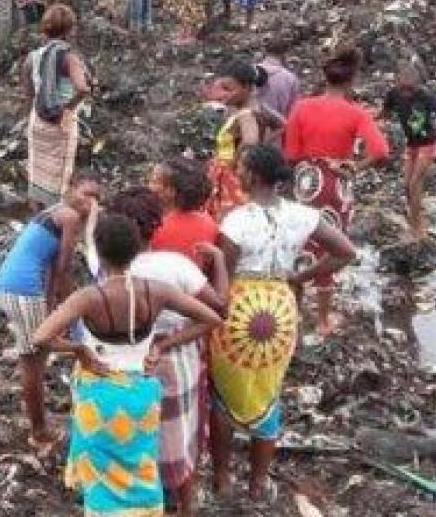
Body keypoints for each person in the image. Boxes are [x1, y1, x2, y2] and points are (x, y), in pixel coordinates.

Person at [31, 214, 222, 517]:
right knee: (141, 470)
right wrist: (162, 345)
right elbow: (212, 319)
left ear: (98, 251)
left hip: (99, 396)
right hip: (141, 397)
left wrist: (79, 350)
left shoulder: (88, 298)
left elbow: (40, 338)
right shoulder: (156, 291)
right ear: (136, 250)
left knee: (101, 480)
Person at [209, 144, 357, 503]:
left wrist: (211, 317)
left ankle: (224, 479)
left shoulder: (235, 221)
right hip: (280, 309)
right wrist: (302, 276)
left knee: (223, 397)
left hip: (241, 309)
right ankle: (258, 484)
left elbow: (222, 283)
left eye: (242, 168)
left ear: (254, 176)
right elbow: (346, 252)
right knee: (268, 390)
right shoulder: (301, 214)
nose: (237, 173)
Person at [106, 187, 228, 517]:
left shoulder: (109, 272)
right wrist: (218, 262)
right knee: (178, 438)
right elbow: (219, 308)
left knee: (133, 438)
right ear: (156, 226)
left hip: (128, 360)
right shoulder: (176, 266)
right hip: (177, 359)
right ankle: (184, 507)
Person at [284, 44, 389, 335]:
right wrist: (356, 166)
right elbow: (381, 151)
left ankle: (294, 315)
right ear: (352, 79)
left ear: (325, 76)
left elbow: (290, 154)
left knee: (303, 241)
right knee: (331, 246)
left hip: (306, 181)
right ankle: (322, 320)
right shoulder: (356, 114)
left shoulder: (302, 107)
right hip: (336, 181)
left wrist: (307, 165)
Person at [0, 175, 102, 451]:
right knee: (34, 359)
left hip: (9, 285)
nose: (89, 203)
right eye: (85, 194)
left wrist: (56, 306)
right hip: (23, 290)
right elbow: (64, 268)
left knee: (33, 354)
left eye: (95, 199)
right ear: (72, 191)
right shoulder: (70, 218)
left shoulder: (52, 212)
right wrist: (73, 313)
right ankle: (39, 430)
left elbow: (54, 267)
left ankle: (37, 418)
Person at [22, 5, 90, 209]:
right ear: (70, 30)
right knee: (59, 183)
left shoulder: (32, 57)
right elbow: (83, 89)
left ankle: (37, 223)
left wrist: (36, 114)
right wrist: (68, 109)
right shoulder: (69, 57)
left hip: (37, 122)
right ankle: (55, 229)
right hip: (61, 125)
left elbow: (29, 94)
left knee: (37, 180)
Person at [382, 61, 436, 243]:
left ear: (417, 85)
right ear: (397, 83)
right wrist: (365, 119)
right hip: (412, 144)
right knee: (407, 186)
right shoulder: (393, 95)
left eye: (410, 89)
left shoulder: (426, 97)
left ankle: (418, 230)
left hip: (429, 144)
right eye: (403, 89)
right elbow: (383, 113)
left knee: (415, 183)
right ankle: (416, 222)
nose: (406, 93)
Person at [205, 60, 280, 222]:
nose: (224, 94)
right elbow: (282, 125)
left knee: (229, 220)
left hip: (233, 180)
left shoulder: (245, 115)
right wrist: (265, 143)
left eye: (229, 89)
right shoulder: (259, 108)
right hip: (240, 174)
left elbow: (250, 142)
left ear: (246, 87)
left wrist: (233, 162)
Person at [149, 158, 220, 266]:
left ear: (171, 192)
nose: (149, 186)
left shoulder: (156, 228)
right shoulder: (209, 223)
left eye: (154, 181)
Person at [256, 36, 300, 122]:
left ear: (265, 51)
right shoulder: (290, 78)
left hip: (249, 125)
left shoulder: (252, 71)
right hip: (278, 129)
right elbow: (293, 110)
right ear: (285, 54)